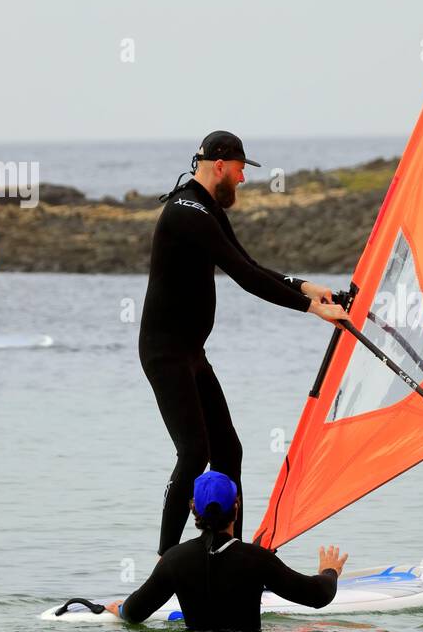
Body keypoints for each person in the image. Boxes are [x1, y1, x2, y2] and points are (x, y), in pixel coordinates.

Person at [140, 131, 348, 555]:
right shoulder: (187, 213)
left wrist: (309, 288)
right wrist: (313, 311)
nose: (243, 179)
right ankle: (166, 562)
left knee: (228, 450)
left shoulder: (205, 207)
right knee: (195, 452)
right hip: (166, 354)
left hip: (191, 354)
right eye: (239, 169)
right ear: (220, 165)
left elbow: (249, 264)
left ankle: (225, 556)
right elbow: (245, 277)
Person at [106, 470, 347, 631]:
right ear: (236, 506)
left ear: (193, 509)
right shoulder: (257, 560)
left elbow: (135, 613)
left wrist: (121, 609)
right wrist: (329, 572)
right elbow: (318, 596)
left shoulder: (174, 560)